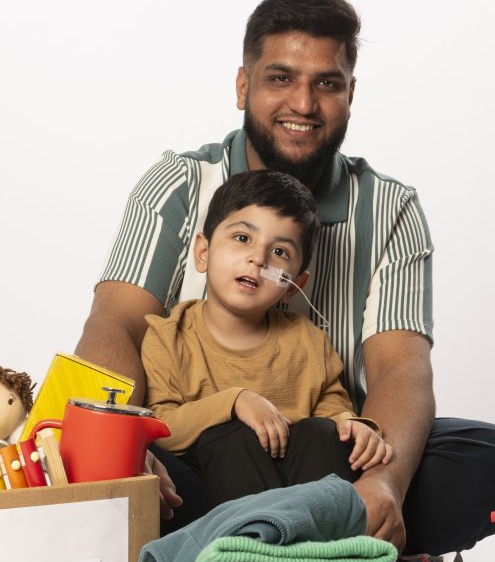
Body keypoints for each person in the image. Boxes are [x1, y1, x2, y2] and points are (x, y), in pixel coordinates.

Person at [76, 0, 495, 562]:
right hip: (196, 460)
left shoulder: (389, 209)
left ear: (350, 94)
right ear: (242, 85)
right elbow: (113, 323)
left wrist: (385, 486)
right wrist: (120, 446)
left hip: (325, 458)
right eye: (280, 79)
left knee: (494, 460)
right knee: (137, 475)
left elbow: (402, 371)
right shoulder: (178, 183)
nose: (303, 104)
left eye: (328, 84)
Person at [141, 170, 392, 508]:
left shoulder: (308, 341)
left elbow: (331, 407)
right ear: (203, 252)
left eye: (279, 252)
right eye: (243, 238)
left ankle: (313, 545)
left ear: (292, 285)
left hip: (297, 477)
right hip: (216, 488)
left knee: (323, 435)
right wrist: (234, 401)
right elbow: (161, 424)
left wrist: (352, 426)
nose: (258, 259)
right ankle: (258, 543)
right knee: (229, 439)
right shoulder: (167, 336)